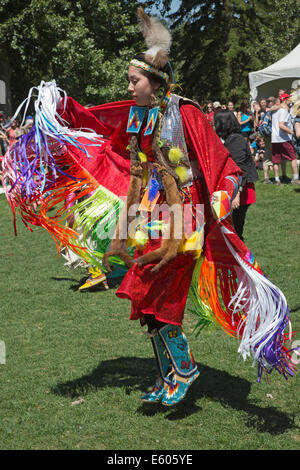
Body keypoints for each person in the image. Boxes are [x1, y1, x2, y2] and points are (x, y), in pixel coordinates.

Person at [2, 8, 297, 406]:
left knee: (155, 293)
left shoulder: (185, 111)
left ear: (155, 82)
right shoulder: (140, 116)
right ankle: (169, 375)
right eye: (129, 80)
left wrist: (222, 196)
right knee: (143, 301)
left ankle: (185, 369)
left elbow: (220, 161)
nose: (129, 87)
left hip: (185, 218)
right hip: (152, 217)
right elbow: (123, 152)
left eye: (134, 80)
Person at [214, 109, 258, 241]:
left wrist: (236, 194)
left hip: (241, 191)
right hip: (237, 190)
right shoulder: (231, 139)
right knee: (233, 230)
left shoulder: (235, 140)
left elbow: (240, 169)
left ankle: (241, 258)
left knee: (235, 231)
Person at [271, 92, 300, 185]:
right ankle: (296, 178)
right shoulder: (283, 111)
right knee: (293, 158)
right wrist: (292, 133)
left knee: (276, 160)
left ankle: (277, 180)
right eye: (289, 99)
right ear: (286, 100)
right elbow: (281, 126)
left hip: (274, 139)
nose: (290, 101)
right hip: (283, 138)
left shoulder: (276, 110)